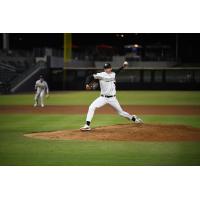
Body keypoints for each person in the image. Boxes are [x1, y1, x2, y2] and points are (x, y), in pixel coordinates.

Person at [80, 61, 143, 131]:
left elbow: (118, 71)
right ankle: (87, 125)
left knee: (121, 113)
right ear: (104, 69)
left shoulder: (113, 74)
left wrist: (123, 66)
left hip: (112, 98)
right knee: (92, 107)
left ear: (111, 68)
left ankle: (134, 118)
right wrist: (87, 84)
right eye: (105, 68)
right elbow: (89, 77)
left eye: (108, 68)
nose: (107, 69)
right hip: (103, 98)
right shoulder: (101, 75)